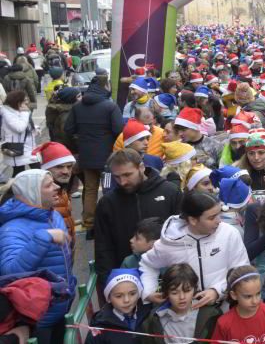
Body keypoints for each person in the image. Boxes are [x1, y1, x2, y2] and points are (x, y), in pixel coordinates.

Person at [0, 169, 75, 344]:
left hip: (59, 309)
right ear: (31, 193)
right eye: (49, 185)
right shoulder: (12, 229)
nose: (57, 187)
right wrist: (43, 238)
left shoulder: (52, 214)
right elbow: (10, 271)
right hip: (38, 321)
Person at [139, 191, 250, 305]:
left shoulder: (229, 233)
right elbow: (147, 265)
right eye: (212, 217)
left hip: (224, 308)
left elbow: (241, 269)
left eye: (219, 213)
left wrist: (217, 291)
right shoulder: (170, 242)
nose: (219, 220)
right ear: (193, 220)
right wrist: (149, 291)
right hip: (183, 314)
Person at [94, 149, 183, 288]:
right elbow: (103, 247)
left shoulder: (170, 192)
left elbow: (183, 235)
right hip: (128, 281)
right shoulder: (107, 203)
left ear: (141, 167)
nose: (122, 182)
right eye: (117, 177)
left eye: (127, 175)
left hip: (170, 279)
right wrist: (108, 283)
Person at [64, 71, 124, 232]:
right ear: (105, 87)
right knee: (108, 188)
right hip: (107, 157)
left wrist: (81, 138)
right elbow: (119, 129)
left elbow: (68, 128)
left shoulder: (78, 106)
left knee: (90, 189)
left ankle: (88, 221)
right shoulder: (110, 106)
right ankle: (110, 219)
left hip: (86, 155)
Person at [1, 90, 39, 177]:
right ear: (17, 102)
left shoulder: (15, 111)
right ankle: (12, 189)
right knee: (24, 172)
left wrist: (35, 128)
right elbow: (19, 127)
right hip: (17, 148)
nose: (27, 102)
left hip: (26, 148)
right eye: (24, 100)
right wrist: (25, 113)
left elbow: (24, 125)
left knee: (20, 172)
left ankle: (14, 189)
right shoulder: (8, 113)